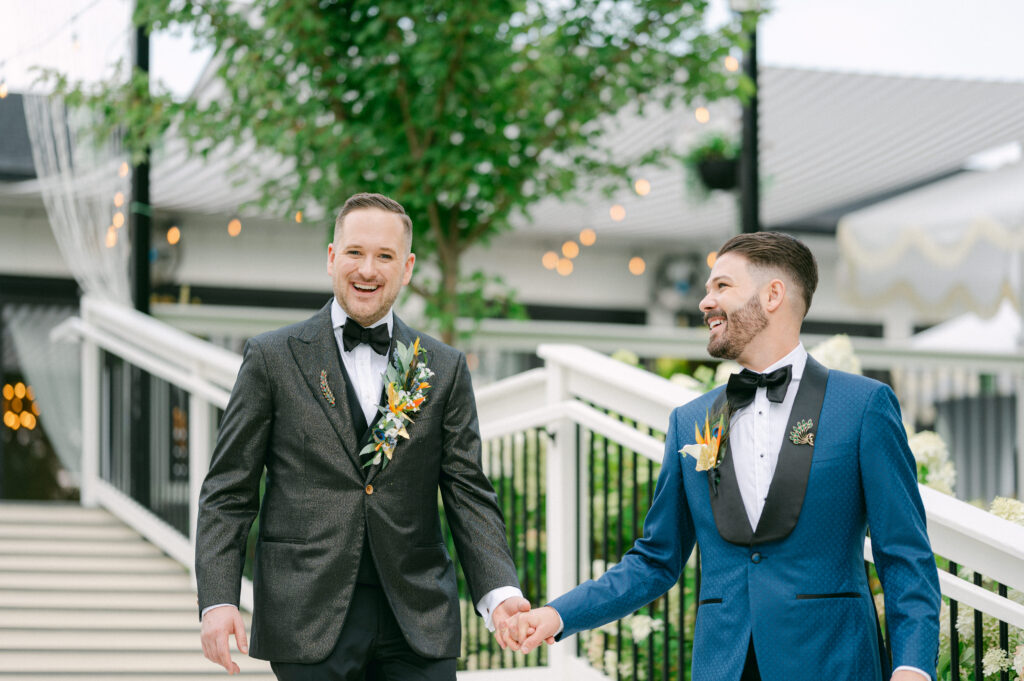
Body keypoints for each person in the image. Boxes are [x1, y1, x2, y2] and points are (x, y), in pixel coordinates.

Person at [505, 232, 940, 681]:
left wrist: (913, 667)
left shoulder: (863, 407)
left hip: (832, 662)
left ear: (773, 295)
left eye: (722, 286)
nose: (704, 301)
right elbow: (655, 559)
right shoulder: (691, 420)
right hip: (723, 666)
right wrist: (558, 616)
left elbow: (903, 555)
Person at [195, 192, 527, 680]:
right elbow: (228, 490)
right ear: (332, 258)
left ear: (407, 267)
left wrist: (501, 593)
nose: (367, 269)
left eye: (385, 256)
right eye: (355, 252)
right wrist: (218, 598)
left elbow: (467, 491)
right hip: (307, 615)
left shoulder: (444, 367)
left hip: (417, 617)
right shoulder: (272, 358)